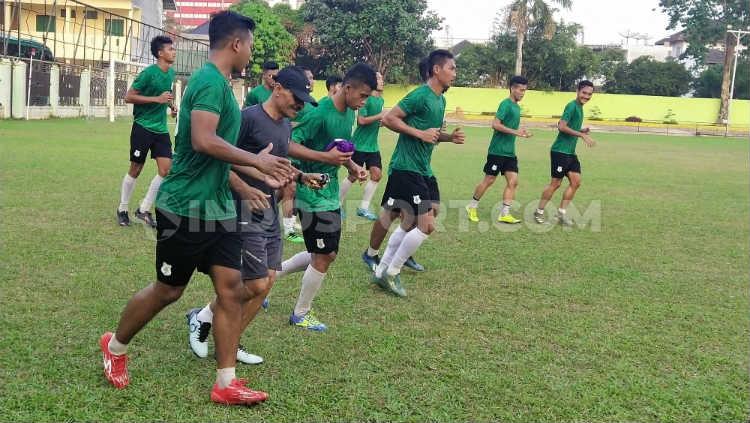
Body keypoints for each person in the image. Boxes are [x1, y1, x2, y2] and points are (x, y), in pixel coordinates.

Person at [99, 11, 295, 406]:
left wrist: (261, 169)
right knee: (168, 290)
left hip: (218, 207)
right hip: (185, 207)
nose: (252, 54)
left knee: (230, 290)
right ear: (236, 44)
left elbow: (220, 154)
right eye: (251, 45)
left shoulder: (221, 86)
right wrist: (256, 161)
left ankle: (226, 382)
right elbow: (203, 140)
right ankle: (115, 346)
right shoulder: (207, 82)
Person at [186, 66, 324, 364]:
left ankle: (227, 339)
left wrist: (300, 176)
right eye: (296, 98)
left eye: (304, 101)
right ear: (277, 88)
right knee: (257, 283)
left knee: (268, 280)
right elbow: (222, 158)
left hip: (268, 211)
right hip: (241, 209)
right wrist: (246, 191)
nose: (299, 105)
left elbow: (277, 165)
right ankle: (205, 318)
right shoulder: (246, 118)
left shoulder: (286, 126)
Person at [275, 63, 377, 331]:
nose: (364, 102)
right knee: (324, 255)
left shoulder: (348, 115)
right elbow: (288, 144)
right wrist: (324, 159)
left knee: (320, 254)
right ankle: (301, 313)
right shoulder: (319, 113)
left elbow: (336, 149)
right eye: (362, 95)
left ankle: (269, 276)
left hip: (329, 196)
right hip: (311, 194)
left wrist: (352, 166)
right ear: (347, 87)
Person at [370, 50, 465, 297]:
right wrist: (419, 133)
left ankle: (381, 270)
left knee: (426, 214)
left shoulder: (441, 100)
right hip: (406, 167)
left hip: (423, 168)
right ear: (437, 70)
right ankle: (392, 272)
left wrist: (448, 138)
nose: (455, 73)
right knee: (427, 225)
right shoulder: (421, 95)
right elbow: (389, 119)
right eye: (452, 68)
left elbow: (430, 134)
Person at [117, 35, 177, 227]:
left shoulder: (170, 73)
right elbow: (128, 97)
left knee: (166, 170)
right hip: (143, 126)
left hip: (160, 129)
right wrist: (156, 100)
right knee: (136, 168)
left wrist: (171, 106)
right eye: (170, 49)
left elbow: (164, 97)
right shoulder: (148, 73)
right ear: (160, 53)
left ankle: (143, 210)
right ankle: (122, 208)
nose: (173, 51)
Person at [465, 75, 532, 224]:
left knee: (513, 181)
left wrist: (521, 131)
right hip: (497, 151)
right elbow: (495, 124)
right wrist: (516, 132)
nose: (522, 93)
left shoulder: (516, 107)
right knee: (489, 180)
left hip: (509, 153)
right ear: (512, 88)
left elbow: (509, 126)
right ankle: (472, 206)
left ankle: (504, 213)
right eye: (520, 90)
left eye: (524, 91)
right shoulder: (505, 104)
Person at [534, 80, 596, 226]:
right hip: (560, 151)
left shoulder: (580, 108)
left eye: (589, 94)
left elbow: (569, 127)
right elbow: (562, 126)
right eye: (584, 93)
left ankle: (560, 214)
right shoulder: (571, 106)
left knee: (576, 182)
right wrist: (581, 135)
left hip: (570, 152)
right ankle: (539, 211)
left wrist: (581, 130)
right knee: (555, 184)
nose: (586, 96)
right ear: (578, 91)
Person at [338, 71, 385, 221]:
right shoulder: (367, 99)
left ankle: (363, 208)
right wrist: (380, 116)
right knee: (353, 175)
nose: (381, 81)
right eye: (378, 78)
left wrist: (382, 121)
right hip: (359, 145)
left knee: (377, 175)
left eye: (382, 78)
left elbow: (377, 120)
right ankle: (336, 205)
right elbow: (362, 120)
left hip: (373, 146)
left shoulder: (381, 101)